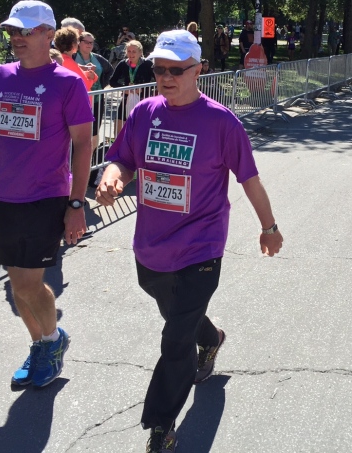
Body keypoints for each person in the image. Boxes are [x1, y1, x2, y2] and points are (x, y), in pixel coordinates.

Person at [95, 29, 283, 452]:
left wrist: (269, 228)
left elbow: (249, 180)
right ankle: (212, 337)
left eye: (177, 70)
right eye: (160, 68)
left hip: (201, 246)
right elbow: (122, 160)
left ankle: (161, 426)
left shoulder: (221, 122)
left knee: (174, 339)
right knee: (178, 313)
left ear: (199, 69)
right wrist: (111, 178)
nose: (166, 76)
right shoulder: (144, 113)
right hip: (152, 249)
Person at [0, 0, 94, 388]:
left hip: (46, 197)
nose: (16, 38)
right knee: (16, 284)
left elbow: (83, 144)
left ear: (49, 34)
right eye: (12, 31)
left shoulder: (68, 82)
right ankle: (42, 343)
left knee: (30, 283)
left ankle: (50, 340)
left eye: (25, 31)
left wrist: (77, 203)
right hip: (4, 197)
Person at [74, 31, 113, 168]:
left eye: (92, 42)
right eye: (87, 42)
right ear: (79, 42)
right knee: (76, 131)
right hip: (77, 100)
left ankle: (90, 162)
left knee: (95, 130)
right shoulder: (72, 58)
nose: (90, 45)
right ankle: (75, 161)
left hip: (96, 99)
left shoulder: (98, 59)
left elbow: (110, 71)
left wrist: (101, 85)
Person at [109, 39, 154, 136]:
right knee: (119, 129)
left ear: (140, 52)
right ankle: (119, 148)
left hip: (143, 100)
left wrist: (143, 89)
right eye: (129, 51)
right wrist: (124, 88)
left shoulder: (148, 64)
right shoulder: (123, 64)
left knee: (140, 129)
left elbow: (157, 81)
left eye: (134, 51)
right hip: (127, 98)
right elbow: (112, 81)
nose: (131, 54)